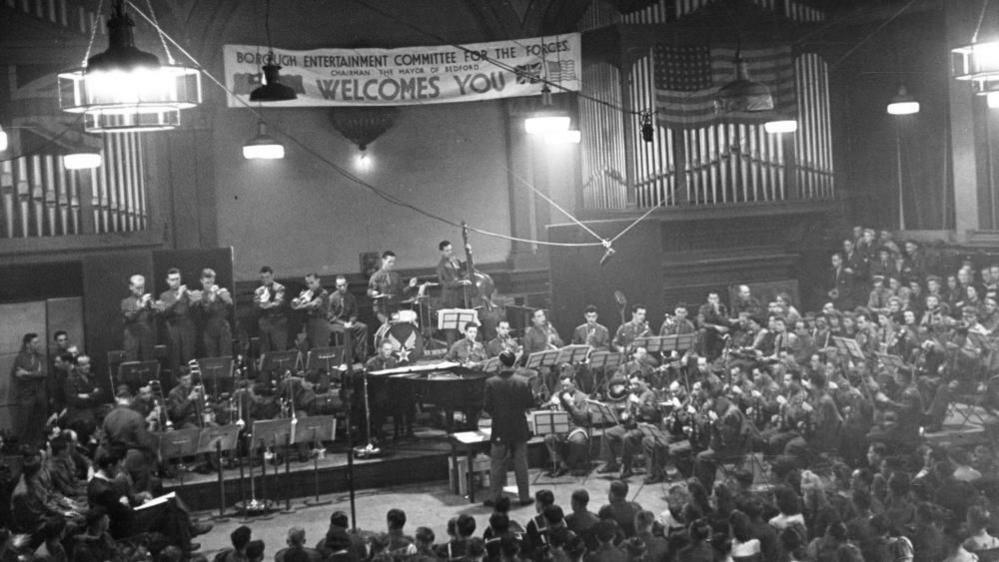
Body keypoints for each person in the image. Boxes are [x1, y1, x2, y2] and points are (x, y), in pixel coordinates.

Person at [483, 350, 534, 507]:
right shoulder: (524, 381)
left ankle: (494, 497)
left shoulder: (491, 382)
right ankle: (524, 497)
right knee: (521, 463)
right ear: (514, 363)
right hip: (519, 426)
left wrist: (498, 415)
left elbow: (487, 407)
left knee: (497, 462)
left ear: (500, 363)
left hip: (500, 427)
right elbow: (529, 404)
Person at [543, 371, 591, 476]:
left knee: (578, 440)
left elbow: (583, 418)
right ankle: (561, 464)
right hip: (561, 427)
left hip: (577, 427)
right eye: (562, 386)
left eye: (567, 386)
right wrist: (551, 405)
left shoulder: (582, 397)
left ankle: (574, 463)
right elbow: (546, 409)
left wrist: (571, 404)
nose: (564, 389)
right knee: (549, 438)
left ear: (574, 384)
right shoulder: (557, 394)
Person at [157, 268, 197, 379]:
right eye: (172, 279)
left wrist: (190, 296)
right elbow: (165, 312)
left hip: (187, 329)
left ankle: (193, 386)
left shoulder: (186, 293)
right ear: (168, 281)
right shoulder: (164, 296)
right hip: (172, 329)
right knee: (175, 360)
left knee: (190, 359)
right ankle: (176, 387)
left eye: (177, 279)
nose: (176, 282)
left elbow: (196, 307)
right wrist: (178, 297)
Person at [11, 332, 47, 447]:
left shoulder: (41, 357)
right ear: (27, 344)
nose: (38, 344)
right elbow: (18, 374)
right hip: (26, 396)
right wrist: (35, 374)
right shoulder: (20, 358)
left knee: (40, 423)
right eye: (35, 342)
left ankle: (39, 447)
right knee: (25, 424)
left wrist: (28, 373)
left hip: (40, 395)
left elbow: (44, 373)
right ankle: (24, 449)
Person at [367, 251, 418, 325]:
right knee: (389, 326)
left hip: (394, 307)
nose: (392, 264)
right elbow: (369, 290)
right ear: (383, 260)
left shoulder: (396, 276)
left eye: (393, 262)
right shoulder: (376, 276)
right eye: (389, 262)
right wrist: (372, 292)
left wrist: (410, 286)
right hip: (381, 309)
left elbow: (402, 292)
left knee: (407, 322)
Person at [191, 268, 233, 358]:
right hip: (208, 330)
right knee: (212, 358)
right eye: (207, 283)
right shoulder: (199, 295)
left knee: (226, 357)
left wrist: (222, 294)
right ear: (201, 281)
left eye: (211, 282)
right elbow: (206, 311)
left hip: (223, 329)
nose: (210, 285)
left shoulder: (221, 292)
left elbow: (230, 304)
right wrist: (212, 296)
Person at [62, 354, 102, 444]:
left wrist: (86, 395)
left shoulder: (92, 377)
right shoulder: (70, 380)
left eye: (88, 363)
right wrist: (93, 394)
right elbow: (75, 400)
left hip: (94, 409)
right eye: (83, 365)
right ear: (76, 366)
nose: (88, 366)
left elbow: (100, 393)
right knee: (88, 422)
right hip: (78, 413)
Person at [328, 276, 368, 362]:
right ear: (336, 286)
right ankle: (345, 358)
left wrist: (350, 322)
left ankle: (360, 355)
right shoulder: (332, 298)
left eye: (344, 285)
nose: (342, 288)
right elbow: (330, 316)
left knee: (363, 327)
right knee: (343, 331)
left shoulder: (351, 297)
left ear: (347, 285)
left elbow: (354, 313)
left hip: (349, 322)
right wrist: (343, 324)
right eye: (339, 286)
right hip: (337, 323)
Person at [291, 273, 330, 351]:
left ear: (318, 280)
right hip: (309, 322)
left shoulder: (323, 293)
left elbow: (314, 305)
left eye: (312, 283)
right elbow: (295, 303)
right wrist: (301, 299)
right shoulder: (308, 293)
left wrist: (301, 306)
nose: (309, 286)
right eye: (307, 283)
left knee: (320, 350)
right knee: (310, 349)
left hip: (320, 323)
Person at [122, 274, 156, 361]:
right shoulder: (126, 302)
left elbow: (153, 317)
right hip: (132, 338)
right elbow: (129, 317)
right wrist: (141, 306)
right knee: (132, 364)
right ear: (131, 287)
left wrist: (153, 307)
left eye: (142, 287)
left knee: (149, 363)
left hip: (147, 338)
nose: (141, 290)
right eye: (138, 288)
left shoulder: (148, 300)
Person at [255, 266, 288, 353]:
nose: (265, 279)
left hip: (278, 322)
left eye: (267, 277)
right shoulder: (259, 290)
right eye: (262, 277)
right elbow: (256, 304)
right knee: (265, 351)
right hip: (264, 322)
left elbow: (279, 302)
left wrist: (268, 305)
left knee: (280, 349)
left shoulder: (280, 288)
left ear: (272, 276)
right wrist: (260, 304)